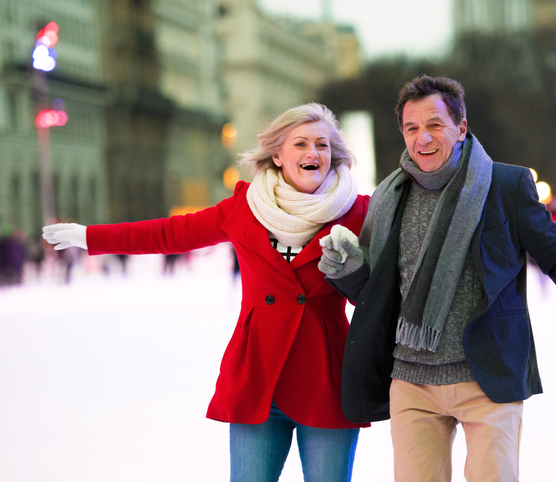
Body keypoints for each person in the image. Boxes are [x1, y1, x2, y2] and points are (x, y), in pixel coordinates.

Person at [318, 76, 556, 482]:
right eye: (411, 128)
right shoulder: (388, 197)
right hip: (412, 382)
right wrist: (349, 269)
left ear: (461, 127)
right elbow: (379, 295)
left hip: (487, 376)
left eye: (435, 124)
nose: (422, 138)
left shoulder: (504, 186)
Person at [42, 103, 370, 482]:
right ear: (278, 155)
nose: (313, 153)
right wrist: (90, 236)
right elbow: (169, 234)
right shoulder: (244, 208)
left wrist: (354, 272)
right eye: (301, 143)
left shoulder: (358, 213)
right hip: (258, 380)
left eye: (323, 145)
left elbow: (378, 291)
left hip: (326, 380)